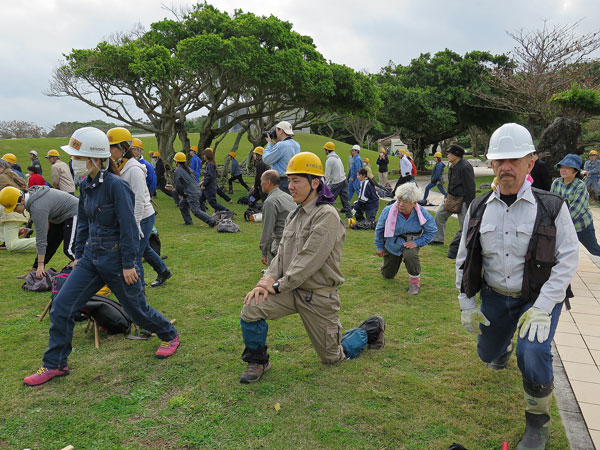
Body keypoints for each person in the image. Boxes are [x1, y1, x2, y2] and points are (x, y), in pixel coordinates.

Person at [22, 127, 180, 386]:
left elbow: (131, 228)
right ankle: (56, 364)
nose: (74, 162)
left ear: (95, 159)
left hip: (118, 261)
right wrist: (79, 256)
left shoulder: (117, 187)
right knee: (62, 306)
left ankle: (169, 334)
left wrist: (130, 263)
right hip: (90, 260)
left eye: (77, 157)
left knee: (137, 311)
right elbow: (83, 223)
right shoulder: (85, 185)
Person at [456, 123, 579, 450]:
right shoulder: (479, 208)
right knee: (487, 352)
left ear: (531, 161)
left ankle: (537, 423)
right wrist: (467, 302)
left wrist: (543, 307)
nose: (506, 167)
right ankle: (502, 346)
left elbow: (568, 259)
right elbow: (464, 258)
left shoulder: (552, 207)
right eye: (499, 161)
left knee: (534, 350)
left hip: (537, 301)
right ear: (491, 164)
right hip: (495, 297)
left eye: (514, 159)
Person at [238, 152, 386, 383]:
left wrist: (276, 286)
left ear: (315, 183)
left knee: (333, 356)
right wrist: (265, 281)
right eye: (289, 181)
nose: (291, 187)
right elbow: (282, 255)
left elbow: (308, 261)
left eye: (297, 181)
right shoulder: (294, 216)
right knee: (251, 308)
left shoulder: (326, 215)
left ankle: (371, 329)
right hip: (289, 291)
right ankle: (257, 361)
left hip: (317, 296)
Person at [107, 128, 174, 288]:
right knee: (145, 249)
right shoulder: (120, 165)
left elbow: (138, 200)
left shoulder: (134, 170)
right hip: (134, 216)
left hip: (142, 216)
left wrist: (134, 225)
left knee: (134, 253)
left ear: (123, 148)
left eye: (111, 147)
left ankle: (138, 290)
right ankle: (163, 271)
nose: (108, 151)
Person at [0, 184, 78, 280]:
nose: (14, 211)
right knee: (50, 243)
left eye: (14, 208)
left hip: (74, 212)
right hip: (59, 216)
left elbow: (41, 239)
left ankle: (89, 270)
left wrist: (41, 265)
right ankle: (34, 270)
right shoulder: (32, 199)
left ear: (22, 200)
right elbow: (49, 213)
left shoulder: (37, 207)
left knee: (70, 250)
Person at [375, 182, 437, 294]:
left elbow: (432, 230)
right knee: (387, 275)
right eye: (399, 200)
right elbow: (379, 229)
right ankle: (386, 265)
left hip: (410, 242)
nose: (400, 204)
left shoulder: (421, 213)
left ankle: (414, 284)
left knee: (411, 255)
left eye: (405, 202)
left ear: (414, 203)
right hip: (392, 243)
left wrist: (417, 242)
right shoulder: (388, 210)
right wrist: (380, 246)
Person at [551, 153, 600, 256]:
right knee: (558, 252)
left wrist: (558, 223)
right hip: (561, 225)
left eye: (567, 168)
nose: (563, 170)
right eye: (562, 167)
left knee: (594, 250)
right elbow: (550, 202)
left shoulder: (580, 186)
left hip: (581, 225)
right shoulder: (556, 183)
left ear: (575, 171)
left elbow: (575, 211)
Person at [430, 145, 475, 249]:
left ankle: (467, 244)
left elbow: (470, 187)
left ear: (457, 155)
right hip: (451, 198)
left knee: (464, 224)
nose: (448, 155)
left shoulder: (465, 167)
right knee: (439, 215)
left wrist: (469, 204)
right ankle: (438, 239)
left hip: (463, 199)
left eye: (450, 153)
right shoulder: (452, 166)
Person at [258, 170, 296, 265]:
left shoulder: (270, 202)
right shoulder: (288, 197)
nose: (260, 184)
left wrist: (264, 252)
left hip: (281, 244)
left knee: (275, 275)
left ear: (268, 182)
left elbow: (267, 230)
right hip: (295, 242)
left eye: (261, 181)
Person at [0, 160, 36, 252]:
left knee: (11, 246)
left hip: (13, 211)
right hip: (19, 210)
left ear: (2, 168)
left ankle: (43, 242)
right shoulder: (11, 174)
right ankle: (21, 231)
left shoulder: (2, 177)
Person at [173, 151, 217, 227]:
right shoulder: (189, 169)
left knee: (195, 210)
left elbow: (178, 185)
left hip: (191, 193)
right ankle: (188, 222)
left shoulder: (177, 170)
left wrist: (180, 194)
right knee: (182, 205)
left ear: (176, 161)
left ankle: (211, 221)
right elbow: (194, 179)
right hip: (196, 190)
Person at [262, 121, 300, 194]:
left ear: (281, 131)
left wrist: (270, 143)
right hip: (292, 179)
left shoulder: (281, 146)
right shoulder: (296, 145)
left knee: (280, 203)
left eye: (276, 131)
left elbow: (266, 159)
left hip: (282, 182)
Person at [323, 141, 351, 219]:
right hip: (344, 180)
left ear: (327, 150)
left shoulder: (329, 160)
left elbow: (327, 175)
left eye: (325, 149)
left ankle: (327, 216)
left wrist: (324, 184)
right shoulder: (337, 157)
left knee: (329, 200)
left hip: (336, 182)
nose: (324, 151)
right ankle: (349, 218)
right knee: (345, 201)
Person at [199, 148, 231, 213]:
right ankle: (203, 213)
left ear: (207, 155)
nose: (203, 156)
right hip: (207, 187)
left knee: (213, 203)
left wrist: (204, 184)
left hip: (209, 188)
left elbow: (210, 176)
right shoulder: (208, 164)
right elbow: (208, 175)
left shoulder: (210, 164)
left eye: (204, 155)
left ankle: (226, 211)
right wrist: (203, 180)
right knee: (200, 200)